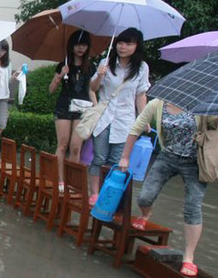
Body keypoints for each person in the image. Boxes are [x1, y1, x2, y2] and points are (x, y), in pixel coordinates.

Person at [118, 99, 218, 277]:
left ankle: (189, 257)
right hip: (167, 157)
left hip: (194, 162)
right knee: (144, 197)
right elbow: (135, 129)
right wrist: (125, 157)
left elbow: (215, 124)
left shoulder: (202, 104)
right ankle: (146, 214)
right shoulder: (157, 104)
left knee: (193, 207)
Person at [87, 27, 150, 203]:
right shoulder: (106, 62)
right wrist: (99, 76)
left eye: (128, 43)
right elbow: (93, 88)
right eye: (120, 43)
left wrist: (144, 119)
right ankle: (94, 193)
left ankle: (109, 194)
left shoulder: (142, 68)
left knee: (117, 160)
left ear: (137, 46)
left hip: (125, 120)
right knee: (99, 158)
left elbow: (140, 95)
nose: (123, 47)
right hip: (103, 117)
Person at [49, 29, 96, 191]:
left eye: (84, 45)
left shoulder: (90, 67)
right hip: (64, 107)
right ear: (71, 46)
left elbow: (91, 90)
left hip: (83, 109)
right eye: (77, 45)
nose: (80, 48)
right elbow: (51, 89)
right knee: (62, 144)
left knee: (76, 147)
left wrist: (97, 110)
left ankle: (71, 181)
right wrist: (60, 75)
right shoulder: (63, 65)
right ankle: (60, 180)